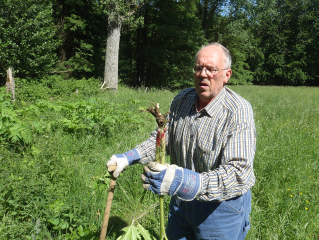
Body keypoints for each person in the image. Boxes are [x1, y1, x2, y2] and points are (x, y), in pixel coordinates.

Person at [107, 42, 256, 240]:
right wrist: (130, 157)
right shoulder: (182, 100)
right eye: (198, 68)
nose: (203, 74)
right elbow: (163, 140)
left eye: (211, 69)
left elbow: (239, 173)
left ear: (227, 75)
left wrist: (186, 182)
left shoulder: (237, 111)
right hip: (181, 204)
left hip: (220, 209)